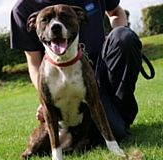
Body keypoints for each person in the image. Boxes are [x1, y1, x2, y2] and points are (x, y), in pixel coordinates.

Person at [10, 0, 143, 144]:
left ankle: (123, 117)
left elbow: (116, 11)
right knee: (110, 134)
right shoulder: (23, 8)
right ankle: (114, 126)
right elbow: (34, 63)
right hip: (66, 81)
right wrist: (46, 97)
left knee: (124, 38)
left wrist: (116, 36)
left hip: (104, 66)